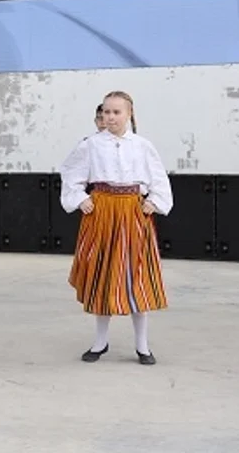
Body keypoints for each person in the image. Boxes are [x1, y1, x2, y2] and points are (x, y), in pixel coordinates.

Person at [59, 90, 172, 365]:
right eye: (106, 112)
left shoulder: (142, 146)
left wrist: (154, 201)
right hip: (102, 212)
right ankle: (100, 341)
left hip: (133, 212)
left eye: (116, 112)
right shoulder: (91, 145)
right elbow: (70, 172)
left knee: (137, 276)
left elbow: (159, 177)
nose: (110, 117)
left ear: (129, 114)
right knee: (103, 274)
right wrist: (81, 198)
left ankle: (142, 345)